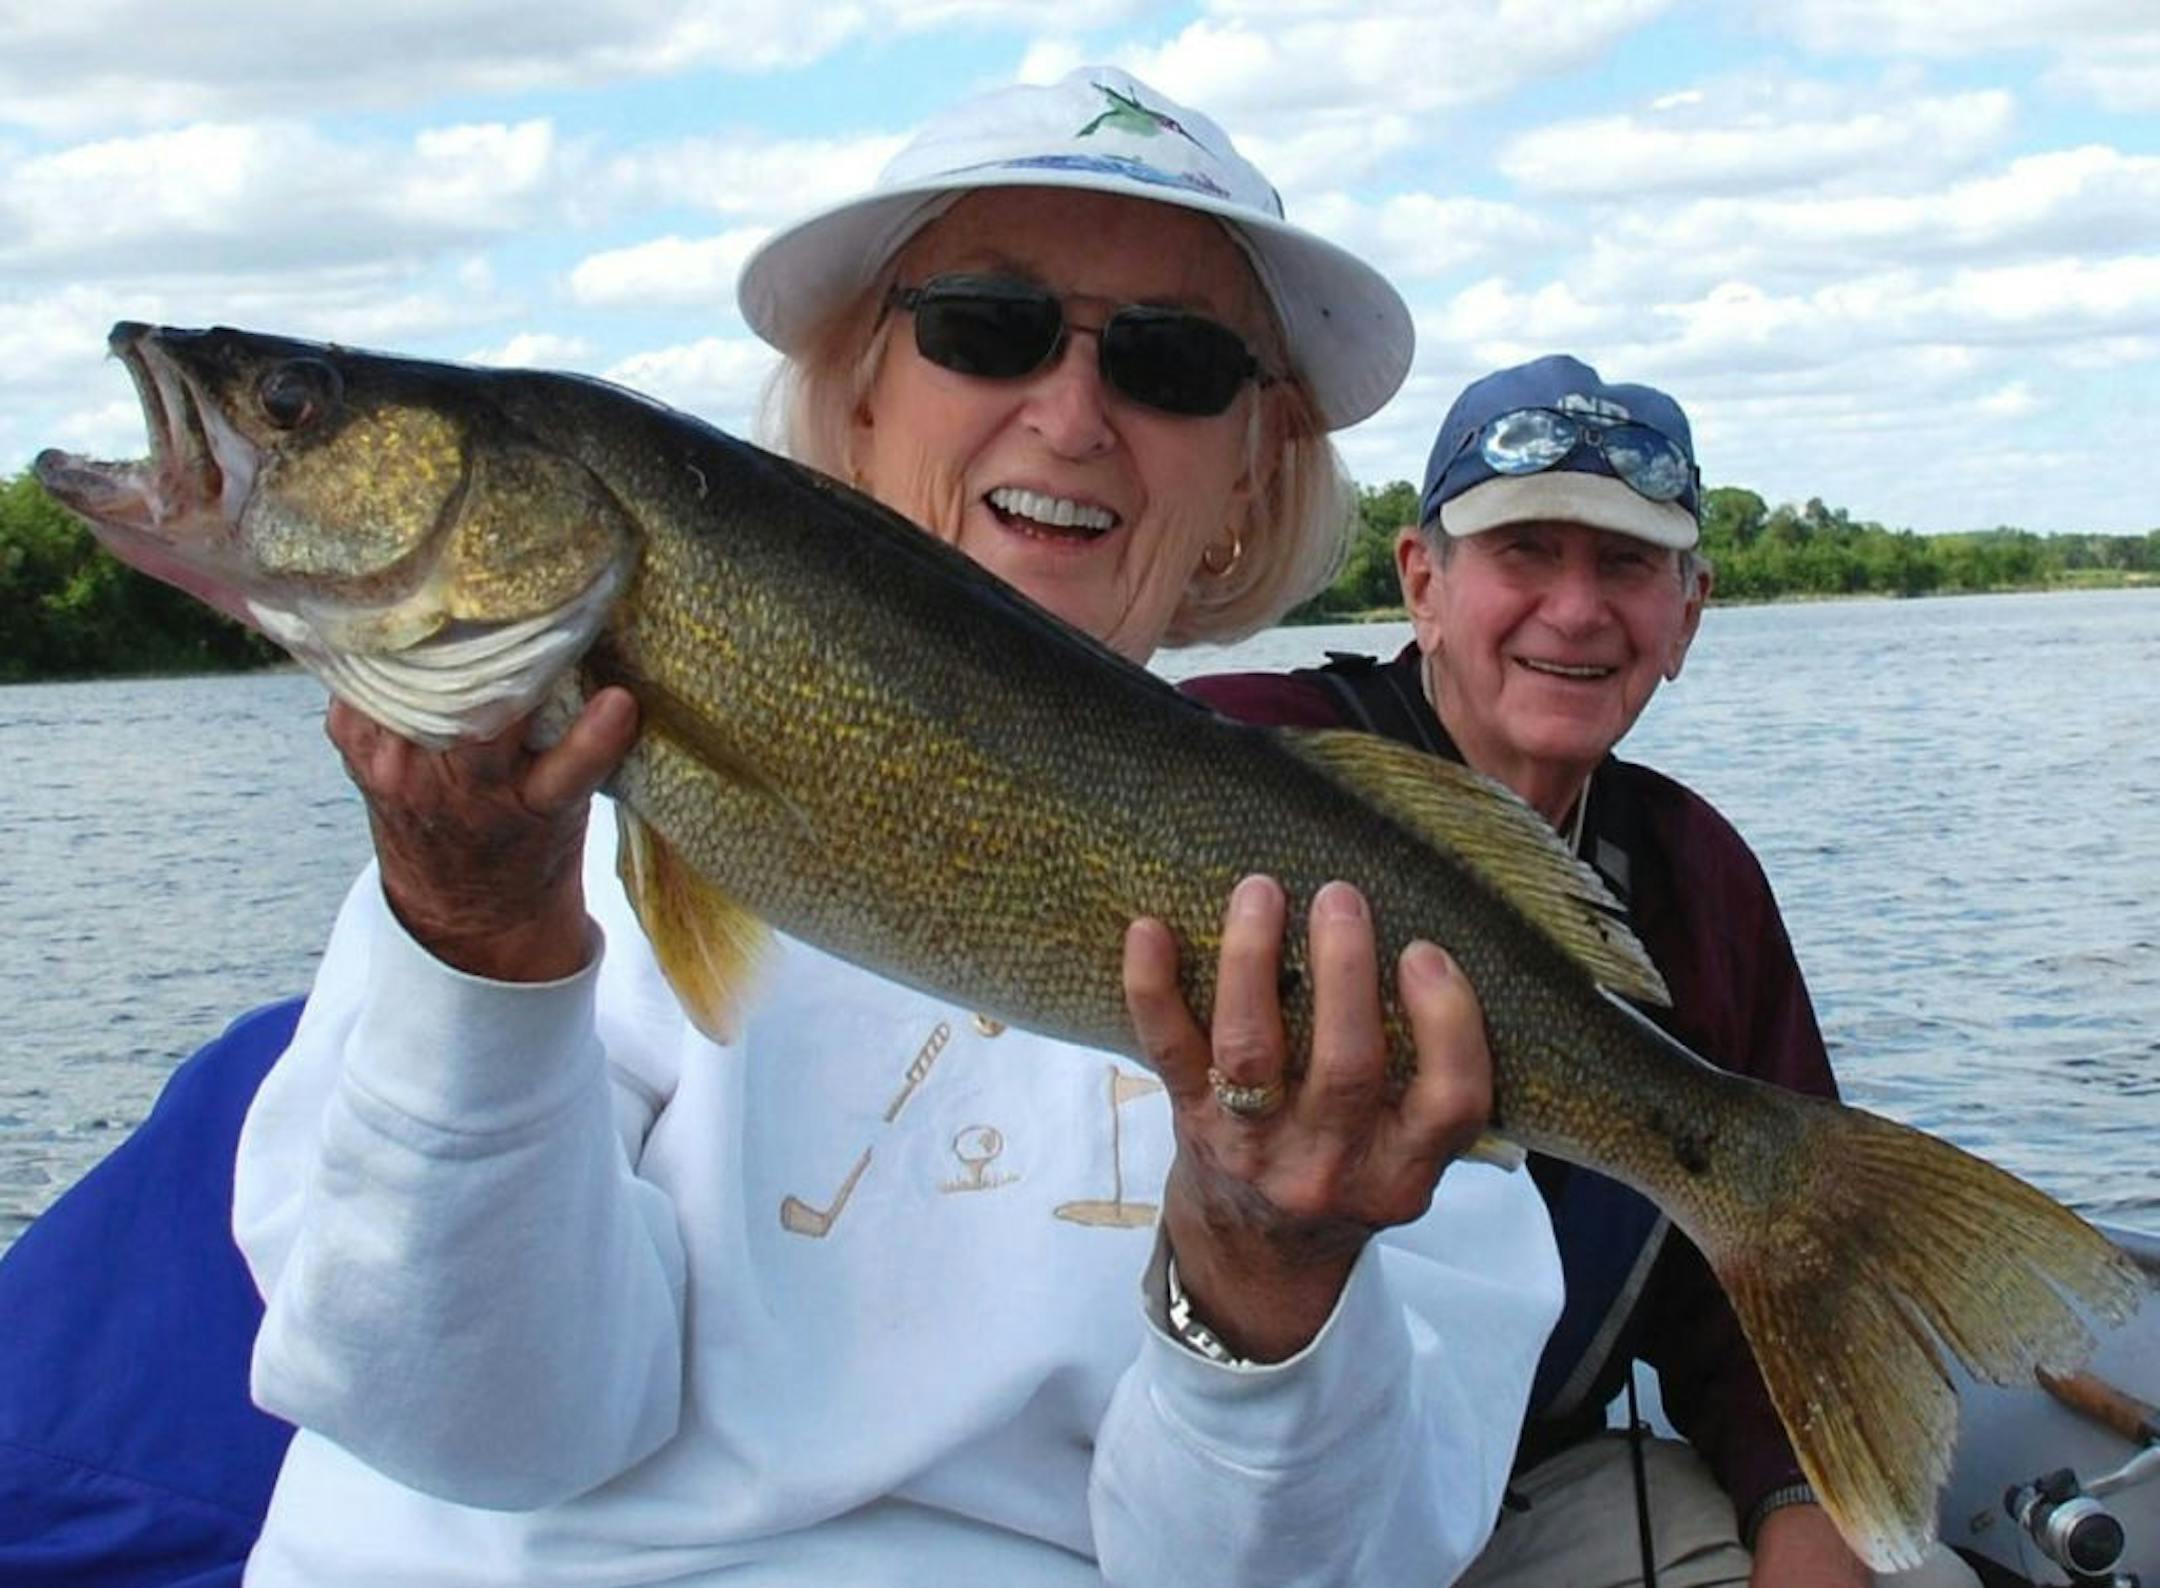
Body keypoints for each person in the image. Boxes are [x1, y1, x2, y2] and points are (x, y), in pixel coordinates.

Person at [226, 67, 1562, 1585]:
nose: (1070, 414)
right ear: (860, 390)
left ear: (1253, 469)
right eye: (982, 327)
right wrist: (474, 948)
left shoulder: (1369, 943)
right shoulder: (537, 841)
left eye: (1174, 364)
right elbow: (477, 1427)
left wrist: (1270, 1281)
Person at [1185, 356, 1983, 1588]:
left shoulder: (1694, 875)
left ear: (1690, 613)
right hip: (1224, 1474)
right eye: (1525, 553)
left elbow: (1760, 1297)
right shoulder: (1242, 751)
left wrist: (1803, 1521)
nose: (1576, 608)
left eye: (1625, 564)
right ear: (1422, 581)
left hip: (1538, 1473)